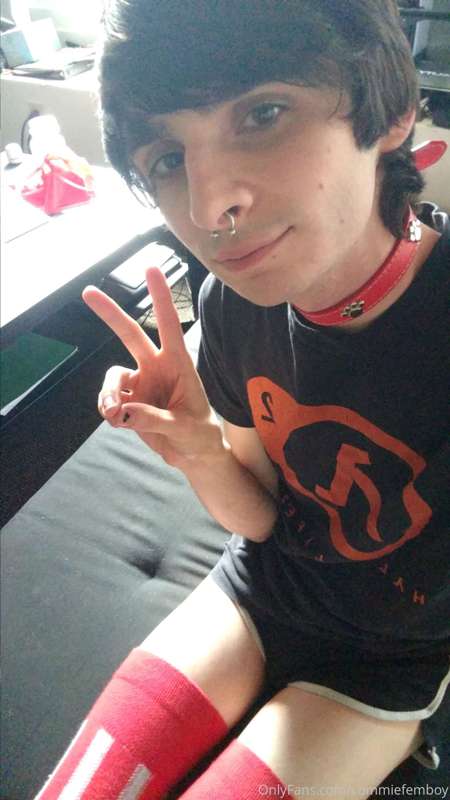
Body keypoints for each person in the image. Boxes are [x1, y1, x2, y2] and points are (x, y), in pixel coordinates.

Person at [36, 1, 450, 798]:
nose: (206, 207)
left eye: (262, 114)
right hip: (258, 593)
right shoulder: (232, 309)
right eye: (167, 158)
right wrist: (200, 451)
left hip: (387, 661)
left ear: (392, 111)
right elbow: (262, 520)